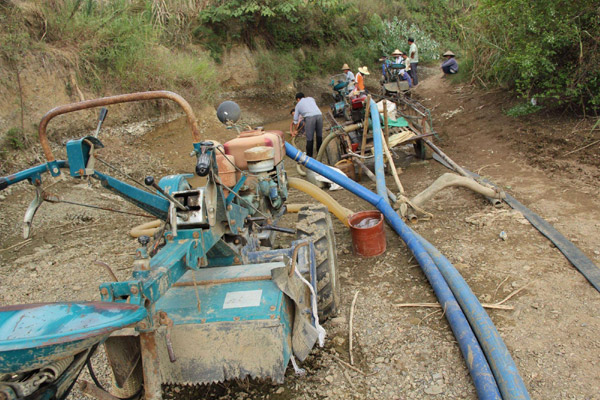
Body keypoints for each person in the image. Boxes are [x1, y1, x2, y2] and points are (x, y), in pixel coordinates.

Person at [293, 93, 323, 158]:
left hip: (310, 118)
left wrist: (295, 130)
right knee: (319, 135)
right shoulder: (311, 98)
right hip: (319, 115)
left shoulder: (298, 104)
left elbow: (295, 119)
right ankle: (320, 153)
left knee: (309, 137)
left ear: (298, 99)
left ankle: (309, 156)